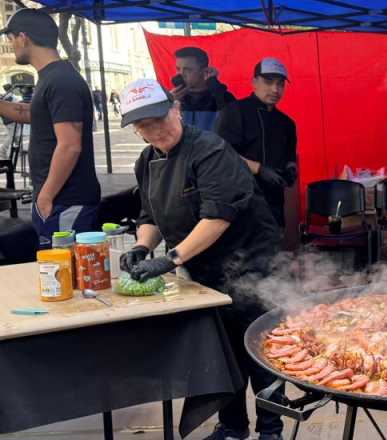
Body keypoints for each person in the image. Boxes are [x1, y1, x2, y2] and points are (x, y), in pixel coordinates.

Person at [115, 79, 284, 440]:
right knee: (221, 355)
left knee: (260, 350)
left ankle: (271, 431)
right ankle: (232, 428)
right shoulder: (146, 161)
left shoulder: (210, 150)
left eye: (159, 118)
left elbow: (217, 216)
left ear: (175, 109)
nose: (155, 129)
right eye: (144, 125)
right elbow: (149, 216)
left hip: (251, 261)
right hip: (204, 270)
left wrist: (170, 260)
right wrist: (142, 248)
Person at [0, 8, 100, 248]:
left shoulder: (61, 81)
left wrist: (45, 196)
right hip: (56, 200)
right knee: (58, 276)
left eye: (11, 38)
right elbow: (26, 113)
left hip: (65, 201)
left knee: (66, 276)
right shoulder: (50, 78)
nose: (11, 45)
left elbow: (69, 146)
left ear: (23, 37)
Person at [215, 57, 297, 228]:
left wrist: (291, 169)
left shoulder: (286, 123)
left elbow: (290, 155)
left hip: (274, 200)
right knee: (243, 252)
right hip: (240, 199)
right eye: (268, 82)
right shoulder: (234, 111)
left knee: (274, 249)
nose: (275, 89)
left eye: (280, 84)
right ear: (254, 82)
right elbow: (222, 153)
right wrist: (259, 169)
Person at [172, 46, 235, 130]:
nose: (181, 74)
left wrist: (215, 87)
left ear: (204, 71)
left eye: (188, 70)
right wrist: (170, 104)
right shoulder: (173, 98)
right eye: (178, 69)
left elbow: (232, 124)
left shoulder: (221, 96)